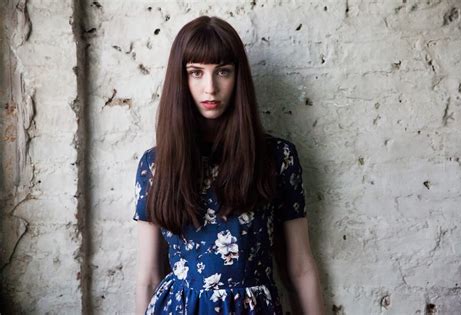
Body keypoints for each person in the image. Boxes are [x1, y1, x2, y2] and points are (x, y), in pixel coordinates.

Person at [133, 15, 325, 315]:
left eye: (222, 71)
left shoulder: (277, 158)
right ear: (180, 80)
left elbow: (300, 268)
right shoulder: (156, 165)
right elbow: (148, 276)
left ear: (238, 77)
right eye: (196, 72)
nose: (210, 87)